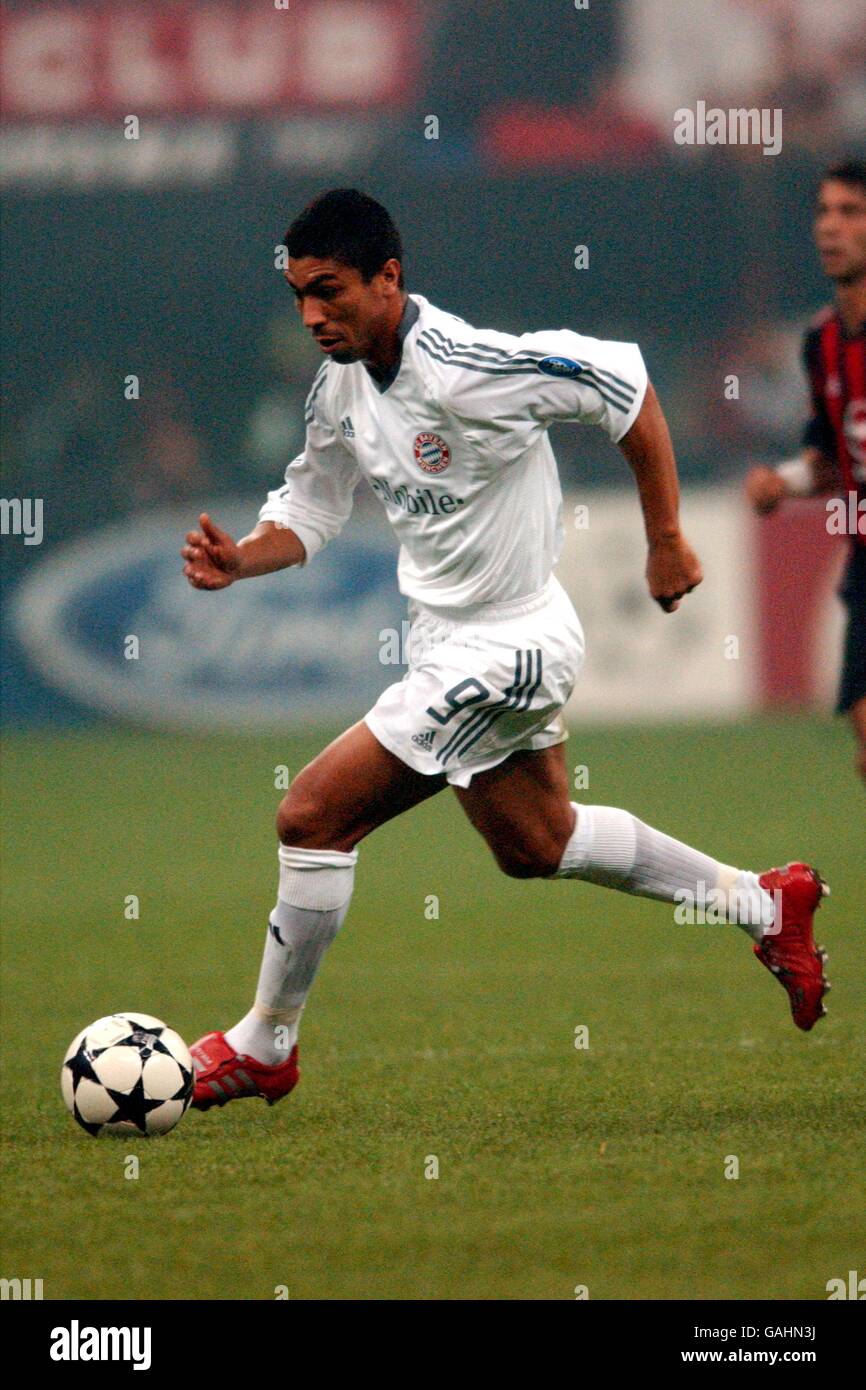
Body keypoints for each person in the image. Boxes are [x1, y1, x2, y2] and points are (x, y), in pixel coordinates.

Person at [181, 190, 830, 1111]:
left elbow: (627, 387)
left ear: (388, 278)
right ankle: (765, 903)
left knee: (311, 816)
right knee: (536, 843)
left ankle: (265, 1045)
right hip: (446, 643)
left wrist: (666, 537)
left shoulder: (468, 366)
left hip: (514, 641)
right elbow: (316, 503)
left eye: (328, 291)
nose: (311, 316)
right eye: (297, 297)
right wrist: (243, 559)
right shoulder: (341, 386)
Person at [746, 160, 866, 785]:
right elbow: (832, 454)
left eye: (850, 212)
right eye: (824, 211)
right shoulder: (820, 343)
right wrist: (785, 483)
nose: (831, 226)